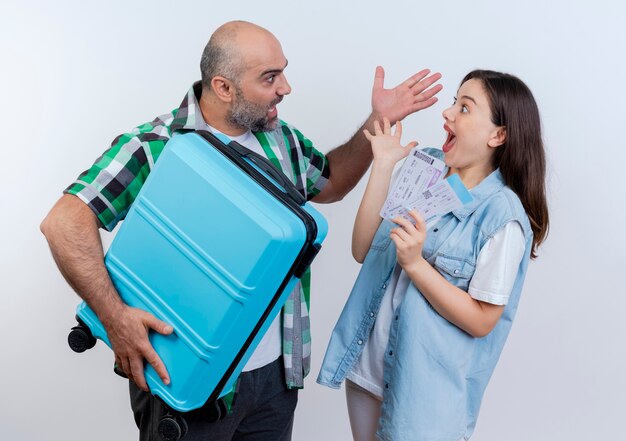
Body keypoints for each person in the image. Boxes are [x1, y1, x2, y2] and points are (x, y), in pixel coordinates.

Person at [40, 20, 442, 441]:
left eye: (283, 71)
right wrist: (114, 316)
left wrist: (377, 120)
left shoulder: (279, 139)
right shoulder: (155, 145)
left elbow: (332, 180)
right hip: (188, 379)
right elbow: (63, 222)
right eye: (270, 77)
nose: (285, 87)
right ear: (223, 87)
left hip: (274, 377)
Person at [317, 70, 549, 441]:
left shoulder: (502, 215)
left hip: (423, 397)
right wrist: (383, 165)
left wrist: (415, 265)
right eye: (454, 102)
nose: (448, 113)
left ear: (498, 135)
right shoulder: (424, 167)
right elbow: (363, 250)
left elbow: (482, 320)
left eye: (464, 108)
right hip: (366, 372)